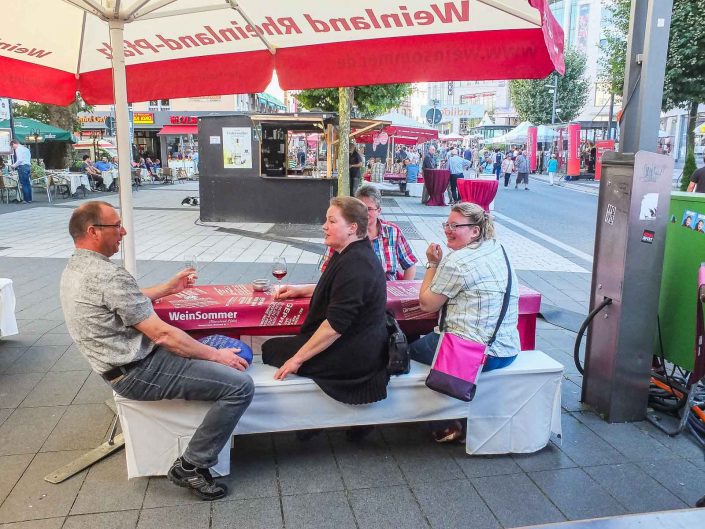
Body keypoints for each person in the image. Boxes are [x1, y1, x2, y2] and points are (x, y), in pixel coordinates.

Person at [59, 201, 254, 500]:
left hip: (120, 367)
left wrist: (167, 289)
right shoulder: (107, 275)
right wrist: (216, 356)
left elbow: (123, 298)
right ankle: (192, 465)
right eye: (116, 226)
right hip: (137, 372)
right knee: (240, 385)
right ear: (93, 231)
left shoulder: (77, 267)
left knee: (209, 344)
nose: (122, 231)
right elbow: (163, 335)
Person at [262, 196, 389, 406]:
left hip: (354, 358)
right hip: (358, 345)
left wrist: (297, 360)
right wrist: (302, 290)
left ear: (352, 228)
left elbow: (334, 327)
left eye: (331, 221)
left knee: (270, 349)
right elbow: (342, 291)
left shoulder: (356, 264)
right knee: (278, 346)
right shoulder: (351, 253)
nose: (324, 226)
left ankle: (307, 417)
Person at [410, 203, 520, 442]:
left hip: (476, 354)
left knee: (408, 350)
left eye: (455, 226)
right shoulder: (496, 248)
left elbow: (427, 304)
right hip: (508, 347)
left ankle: (447, 422)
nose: (448, 230)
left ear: (475, 231)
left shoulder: (458, 261)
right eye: (446, 224)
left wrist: (433, 264)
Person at [320, 186, 418, 280]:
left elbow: (409, 264)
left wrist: (403, 290)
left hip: (388, 289)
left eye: (369, 209)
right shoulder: (344, 233)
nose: (364, 213)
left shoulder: (393, 232)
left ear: (379, 211)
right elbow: (327, 271)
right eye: (360, 209)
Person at [9, 139, 32, 203]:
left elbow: (20, 160)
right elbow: (29, 158)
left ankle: (26, 200)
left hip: (22, 167)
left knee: (24, 184)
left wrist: (14, 165)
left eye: (12, 146)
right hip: (28, 166)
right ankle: (29, 199)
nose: (13, 148)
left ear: (14, 144)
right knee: (27, 183)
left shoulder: (18, 149)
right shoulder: (26, 149)